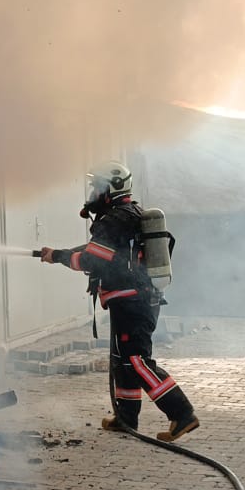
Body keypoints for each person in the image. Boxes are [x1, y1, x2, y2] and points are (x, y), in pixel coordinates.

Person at [37, 161, 199, 442]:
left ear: (112, 188)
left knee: (136, 360)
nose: (92, 193)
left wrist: (61, 258)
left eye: (97, 187)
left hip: (132, 301)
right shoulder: (125, 214)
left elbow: (89, 259)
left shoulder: (114, 220)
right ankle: (126, 418)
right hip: (132, 299)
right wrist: (57, 253)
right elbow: (102, 252)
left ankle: (182, 414)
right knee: (122, 360)